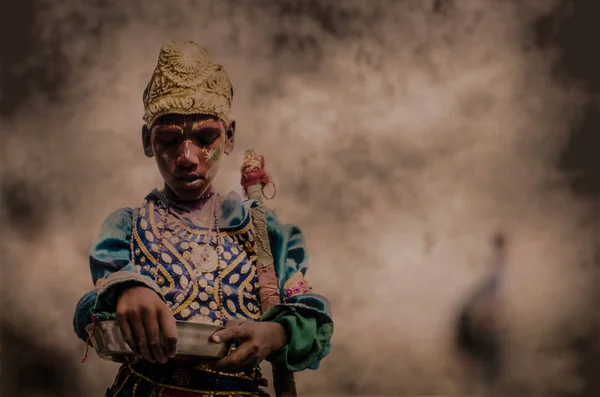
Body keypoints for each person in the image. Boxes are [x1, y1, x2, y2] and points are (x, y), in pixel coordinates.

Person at [72, 40, 333, 397]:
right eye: (168, 139)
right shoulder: (127, 228)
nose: (187, 157)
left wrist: (275, 334)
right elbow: (88, 314)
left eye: (206, 136)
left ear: (229, 137)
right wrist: (125, 291)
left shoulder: (262, 230)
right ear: (147, 142)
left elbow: (311, 321)